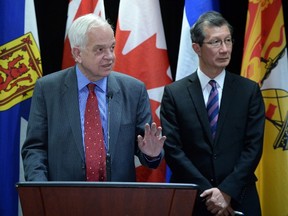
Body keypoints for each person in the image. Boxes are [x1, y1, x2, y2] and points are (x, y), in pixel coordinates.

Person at [22, 13, 166, 182]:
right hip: (63, 200)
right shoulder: (48, 89)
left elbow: (147, 149)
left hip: (118, 200)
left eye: (112, 47)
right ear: (77, 54)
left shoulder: (134, 90)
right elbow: (35, 149)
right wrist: (43, 192)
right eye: (100, 50)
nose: (110, 56)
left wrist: (151, 154)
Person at [160, 11, 265, 216]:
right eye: (215, 42)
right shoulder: (175, 93)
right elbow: (173, 149)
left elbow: (253, 147)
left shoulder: (249, 91)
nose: (225, 49)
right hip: (192, 199)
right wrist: (211, 195)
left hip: (239, 197)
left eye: (227, 40)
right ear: (196, 48)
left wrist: (226, 191)